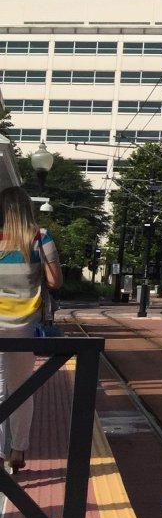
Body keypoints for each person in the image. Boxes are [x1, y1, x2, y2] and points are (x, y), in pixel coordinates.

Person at [0, 186, 63, 473]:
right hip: (25, 326)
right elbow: (55, 282)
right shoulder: (41, 237)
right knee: (21, 390)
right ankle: (17, 450)